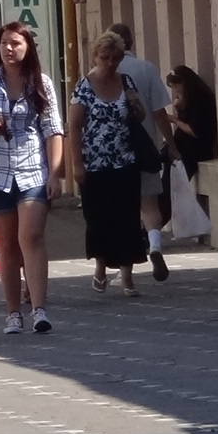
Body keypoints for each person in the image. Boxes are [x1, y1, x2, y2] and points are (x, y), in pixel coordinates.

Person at [0, 23, 64, 335]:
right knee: (7, 244)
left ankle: (39, 309)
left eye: (16, 43)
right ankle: (12, 313)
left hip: (33, 169)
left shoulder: (41, 84)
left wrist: (56, 173)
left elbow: (53, 130)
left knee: (31, 236)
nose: (9, 49)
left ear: (28, 47)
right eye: (4, 43)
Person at [70, 33, 150, 297]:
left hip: (124, 160)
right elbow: (74, 126)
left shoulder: (125, 81)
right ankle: (101, 266)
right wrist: (77, 164)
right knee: (99, 219)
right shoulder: (84, 86)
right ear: (95, 56)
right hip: (94, 164)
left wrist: (136, 105)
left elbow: (139, 116)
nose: (110, 63)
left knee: (127, 218)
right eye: (105, 58)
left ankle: (127, 277)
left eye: (115, 58)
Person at [108, 23, 174, 282]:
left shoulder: (101, 73)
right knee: (149, 204)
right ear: (132, 42)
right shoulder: (146, 68)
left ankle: (126, 270)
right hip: (145, 147)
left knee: (124, 209)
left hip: (114, 151)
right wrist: (171, 144)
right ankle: (155, 245)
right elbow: (159, 112)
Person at [165, 66, 218, 177]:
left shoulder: (202, 100)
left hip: (195, 150)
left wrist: (174, 120)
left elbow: (195, 130)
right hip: (183, 146)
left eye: (176, 87)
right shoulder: (188, 100)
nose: (175, 91)